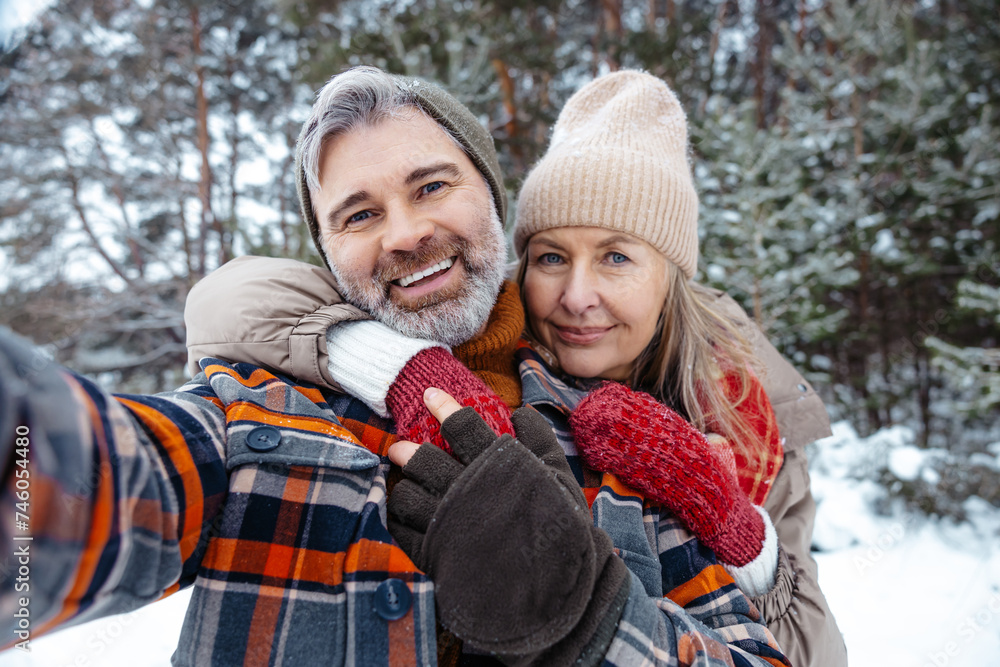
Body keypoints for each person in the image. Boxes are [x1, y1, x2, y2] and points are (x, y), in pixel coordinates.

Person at [0, 66, 789, 667]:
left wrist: (590, 619)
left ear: (492, 195)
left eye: (431, 185)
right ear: (329, 255)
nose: (406, 233)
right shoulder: (262, 418)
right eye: (361, 214)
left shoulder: (622, 437)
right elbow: (94, 481)